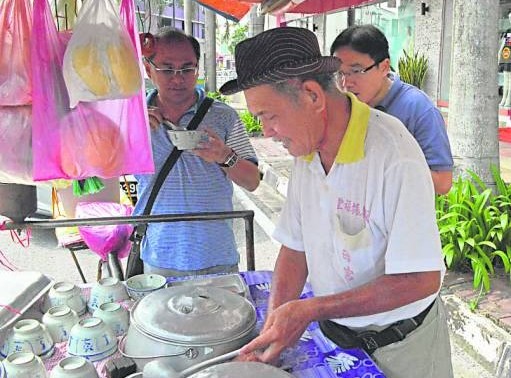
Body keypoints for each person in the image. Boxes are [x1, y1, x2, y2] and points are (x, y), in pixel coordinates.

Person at [219, 27, 453, 378]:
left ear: (313, 96)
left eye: (269, 115)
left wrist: (310, 309)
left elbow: (420, 279)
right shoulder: (307, 152)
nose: (266, 132)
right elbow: (295, 249)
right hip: (339, 340)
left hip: (402, 347)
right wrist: (273, 329)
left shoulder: (394, 154)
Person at [134, 27, 260, 277]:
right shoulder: (134, 118)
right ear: (148, 70)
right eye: (167, 69)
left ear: (198, 69)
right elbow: (103, 167)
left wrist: (224, 156)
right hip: (161, 256)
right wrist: (132, 131)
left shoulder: (223, 116)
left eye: (187, 68)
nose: (178, 78)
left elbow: (253, 181)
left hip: (217, 255)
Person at [330, 24, 453, 195]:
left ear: (384, 66)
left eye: (356, 71)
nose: (346, 83)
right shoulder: (344, 105)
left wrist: (387, 164)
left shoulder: (418, 108)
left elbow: (442, 183)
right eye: (339, 74)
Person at [499, 11, 511, 108]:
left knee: (510, 80)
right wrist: (499, 53)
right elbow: (505, 43)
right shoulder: (509, 31)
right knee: (506, 79)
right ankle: (504, 98)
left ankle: (508, 99)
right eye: (509, 18)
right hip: (507, 56)